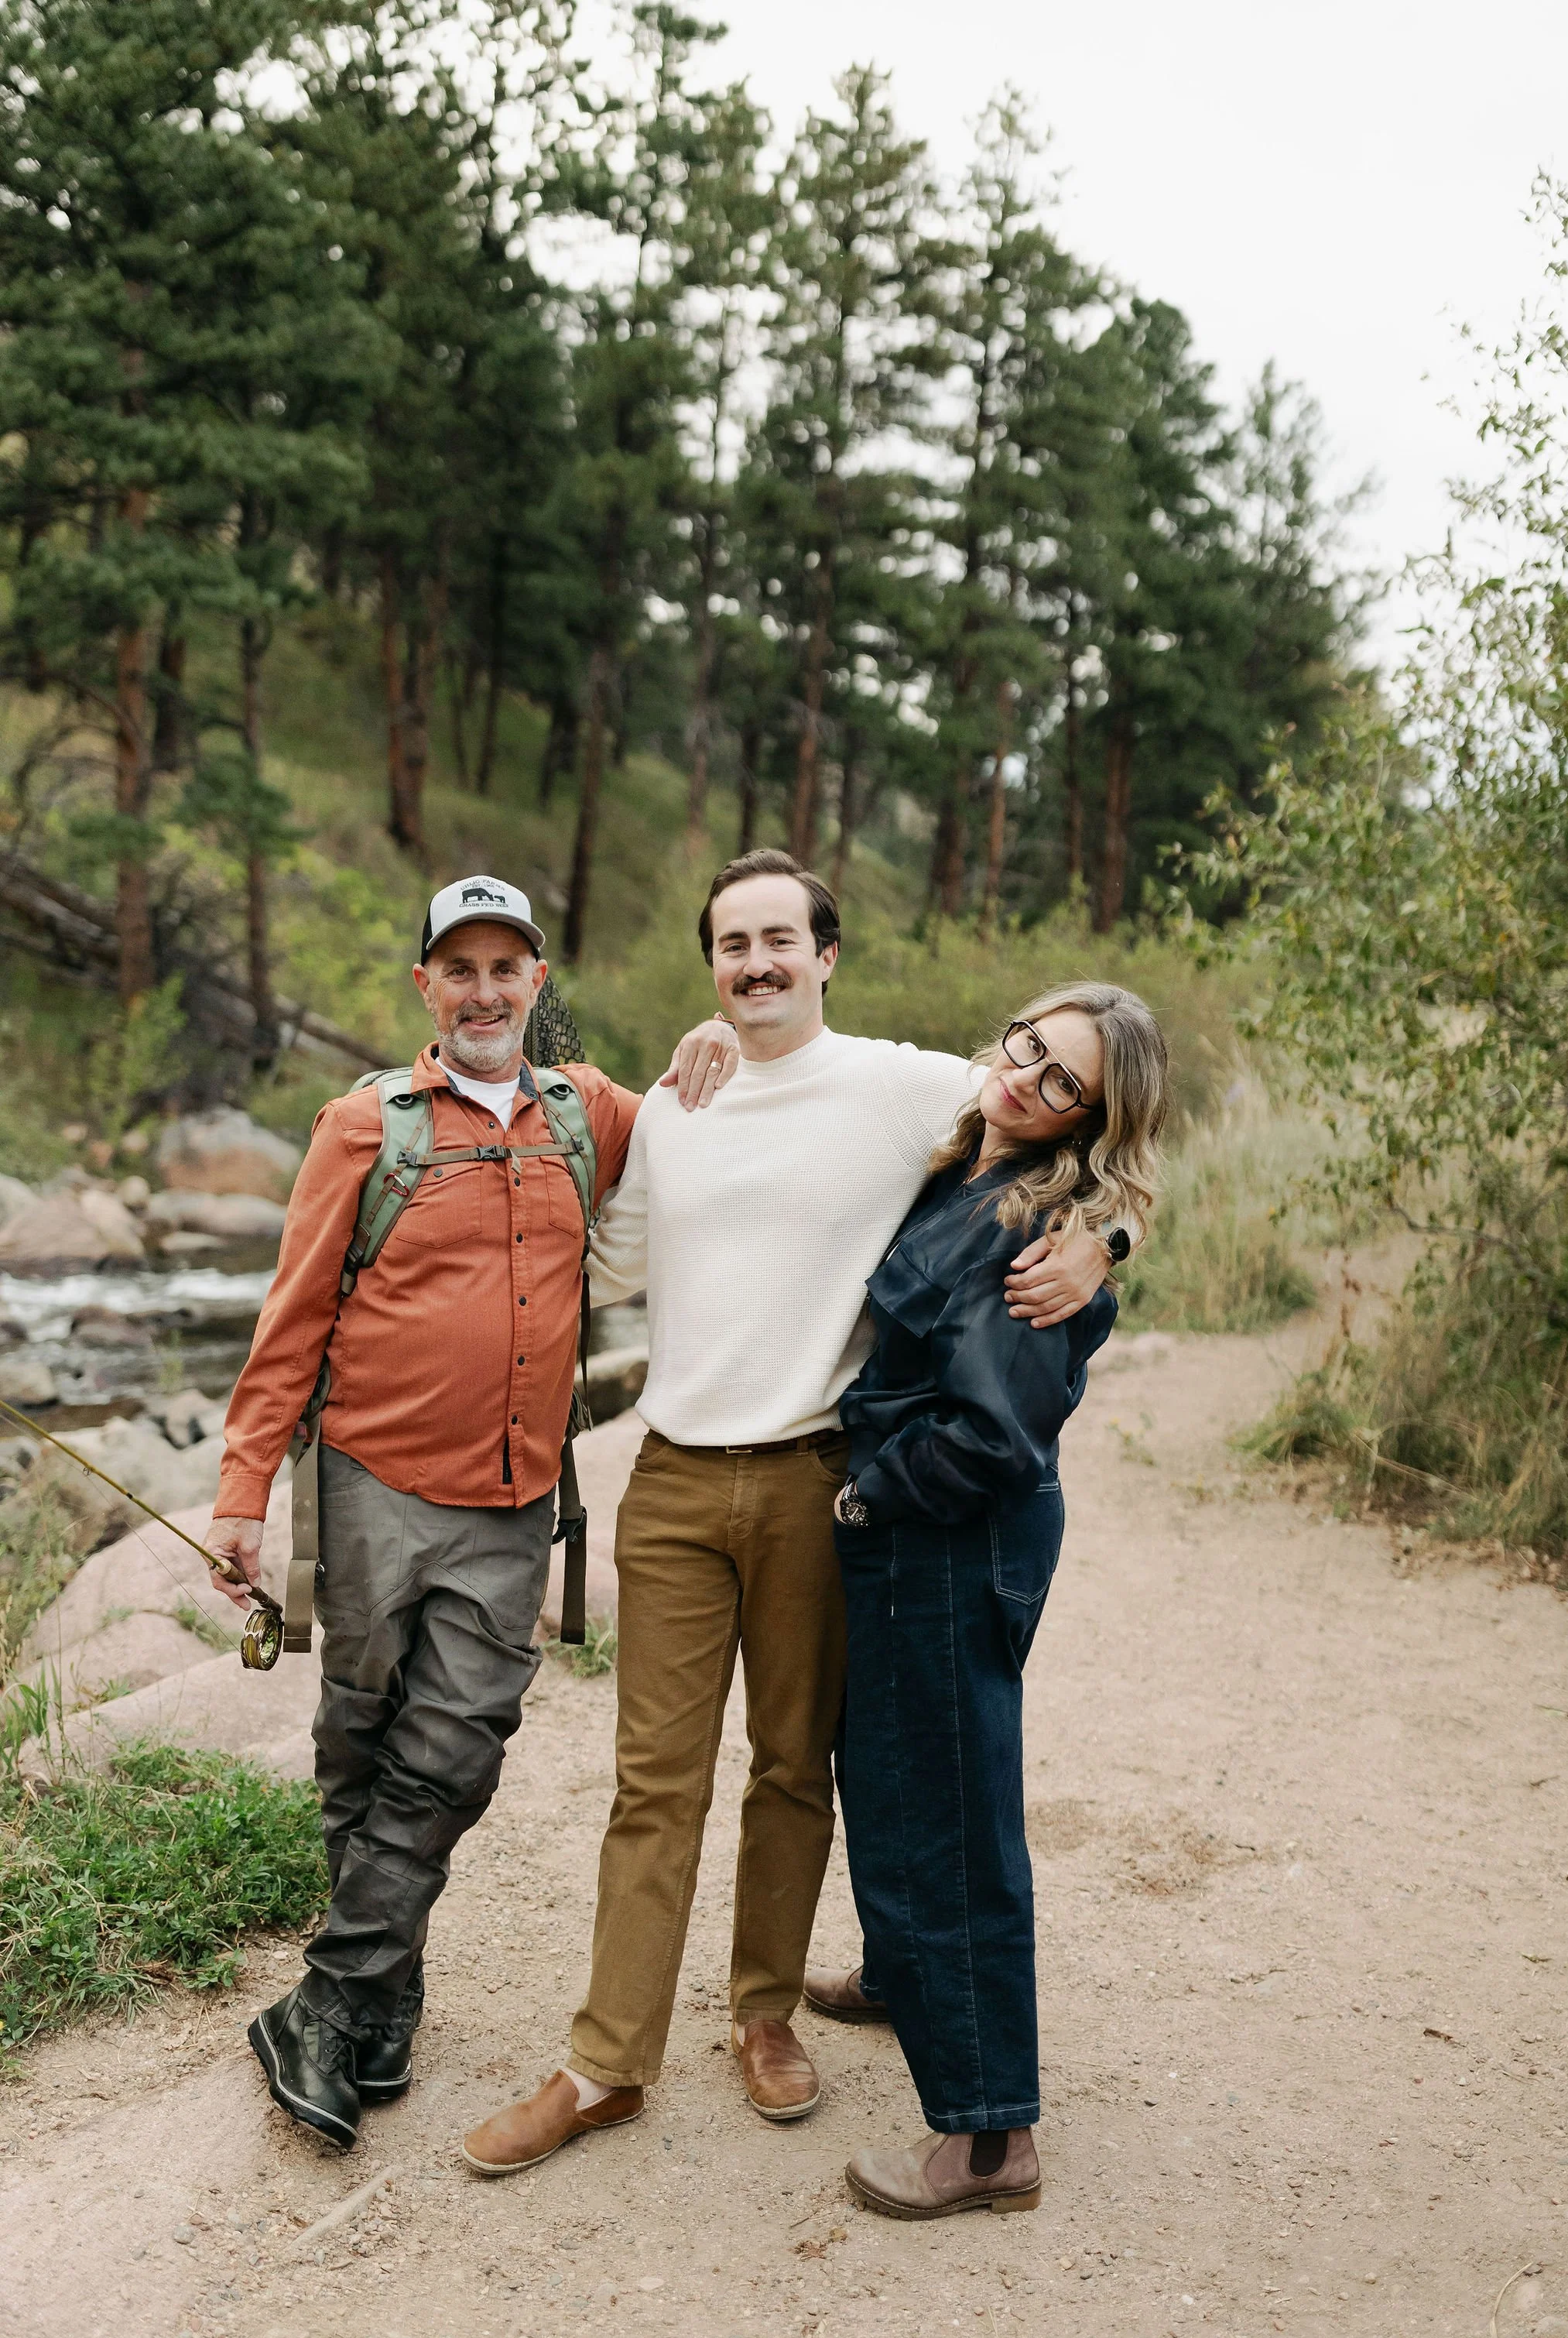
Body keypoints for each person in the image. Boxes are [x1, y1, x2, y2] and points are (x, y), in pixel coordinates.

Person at [460, 855, 1119, 2179]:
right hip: (677, 1481)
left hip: (825, 1479)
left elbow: (1074, 1126)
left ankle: (764, 2016)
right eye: (732, 946)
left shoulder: (909, 1085)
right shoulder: (674, 1103)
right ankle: (607, 2062)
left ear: (827, 955)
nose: (756, 965)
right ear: (712, 964)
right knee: (654, 1783)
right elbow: (612, 1263)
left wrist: (1109, 1237)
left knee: (790, 1769)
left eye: (781, 941)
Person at [201, 874, 731, 2149]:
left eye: (509, 968)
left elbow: (700, 1121)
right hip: (372, 1488)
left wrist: (711, 1041)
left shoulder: (585, 1113)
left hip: (512, 1501)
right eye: (462, 969)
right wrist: (241, 1492)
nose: (486, 991)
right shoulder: (361, 1125)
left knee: (457, 1750)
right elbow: (294, 1321)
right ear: (425, 987)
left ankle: (327, 2001)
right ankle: (379, 1999)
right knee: (362, 1739)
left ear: (537, 985)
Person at [830, 982, 1169, 2220]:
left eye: (1064, 1080)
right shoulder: (964, 1146)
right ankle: (903, 1974)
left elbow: (991, 1439)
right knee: (881, 1764)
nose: (1026, 1074)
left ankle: (990, 2139)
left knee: (951, 1807)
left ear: (1092, 1118)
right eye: (1029, 1043)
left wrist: (869, 1500)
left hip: (945, 1534)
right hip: (918, 1531)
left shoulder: (1037, 1231)